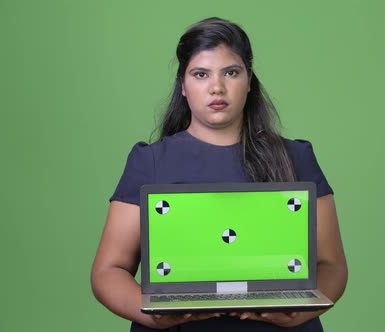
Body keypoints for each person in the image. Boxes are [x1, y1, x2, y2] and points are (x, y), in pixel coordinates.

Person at [91, 17, 348, 332]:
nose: (217, 87)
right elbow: (109, 270)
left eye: (231, 72)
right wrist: (154, 315)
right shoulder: (150, 162)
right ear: (183, 86)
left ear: (249, 81)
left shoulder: (297, 157)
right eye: (201, 74)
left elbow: (332, 265)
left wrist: (300, 313)